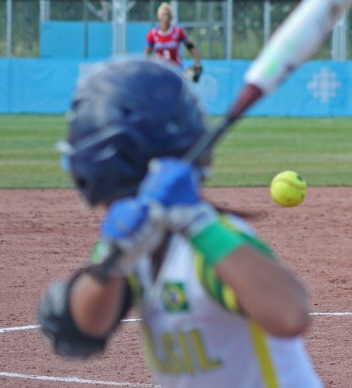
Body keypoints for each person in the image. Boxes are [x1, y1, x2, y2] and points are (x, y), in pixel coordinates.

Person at [37, 58, 323, 388]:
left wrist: (198, 222)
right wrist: (111, 264)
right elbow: (86, 327)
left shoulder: (215, 241)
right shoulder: (136, 239)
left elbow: (291, 315)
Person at [145, 2, 203, 82]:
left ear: (171, 17)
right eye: (163, 15)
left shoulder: (178, 31)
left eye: (168, 15)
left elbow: (190, 46)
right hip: (159, 69)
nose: (166, 18)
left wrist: (197, 61)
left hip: (176, 68)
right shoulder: (153, 33)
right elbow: (147, 54)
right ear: (159, 17)